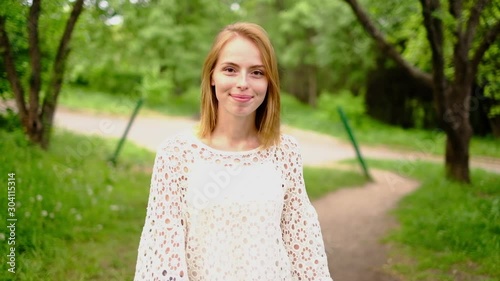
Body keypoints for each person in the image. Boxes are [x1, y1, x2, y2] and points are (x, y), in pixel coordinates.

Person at [134, 22, 333, 281]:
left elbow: (302, 242)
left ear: (269, 82)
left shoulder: (285, 152)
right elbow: (162, 251)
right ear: (212, 77)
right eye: (230, 69)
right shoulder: (176, 154)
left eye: (257, 73)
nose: (242, 83)